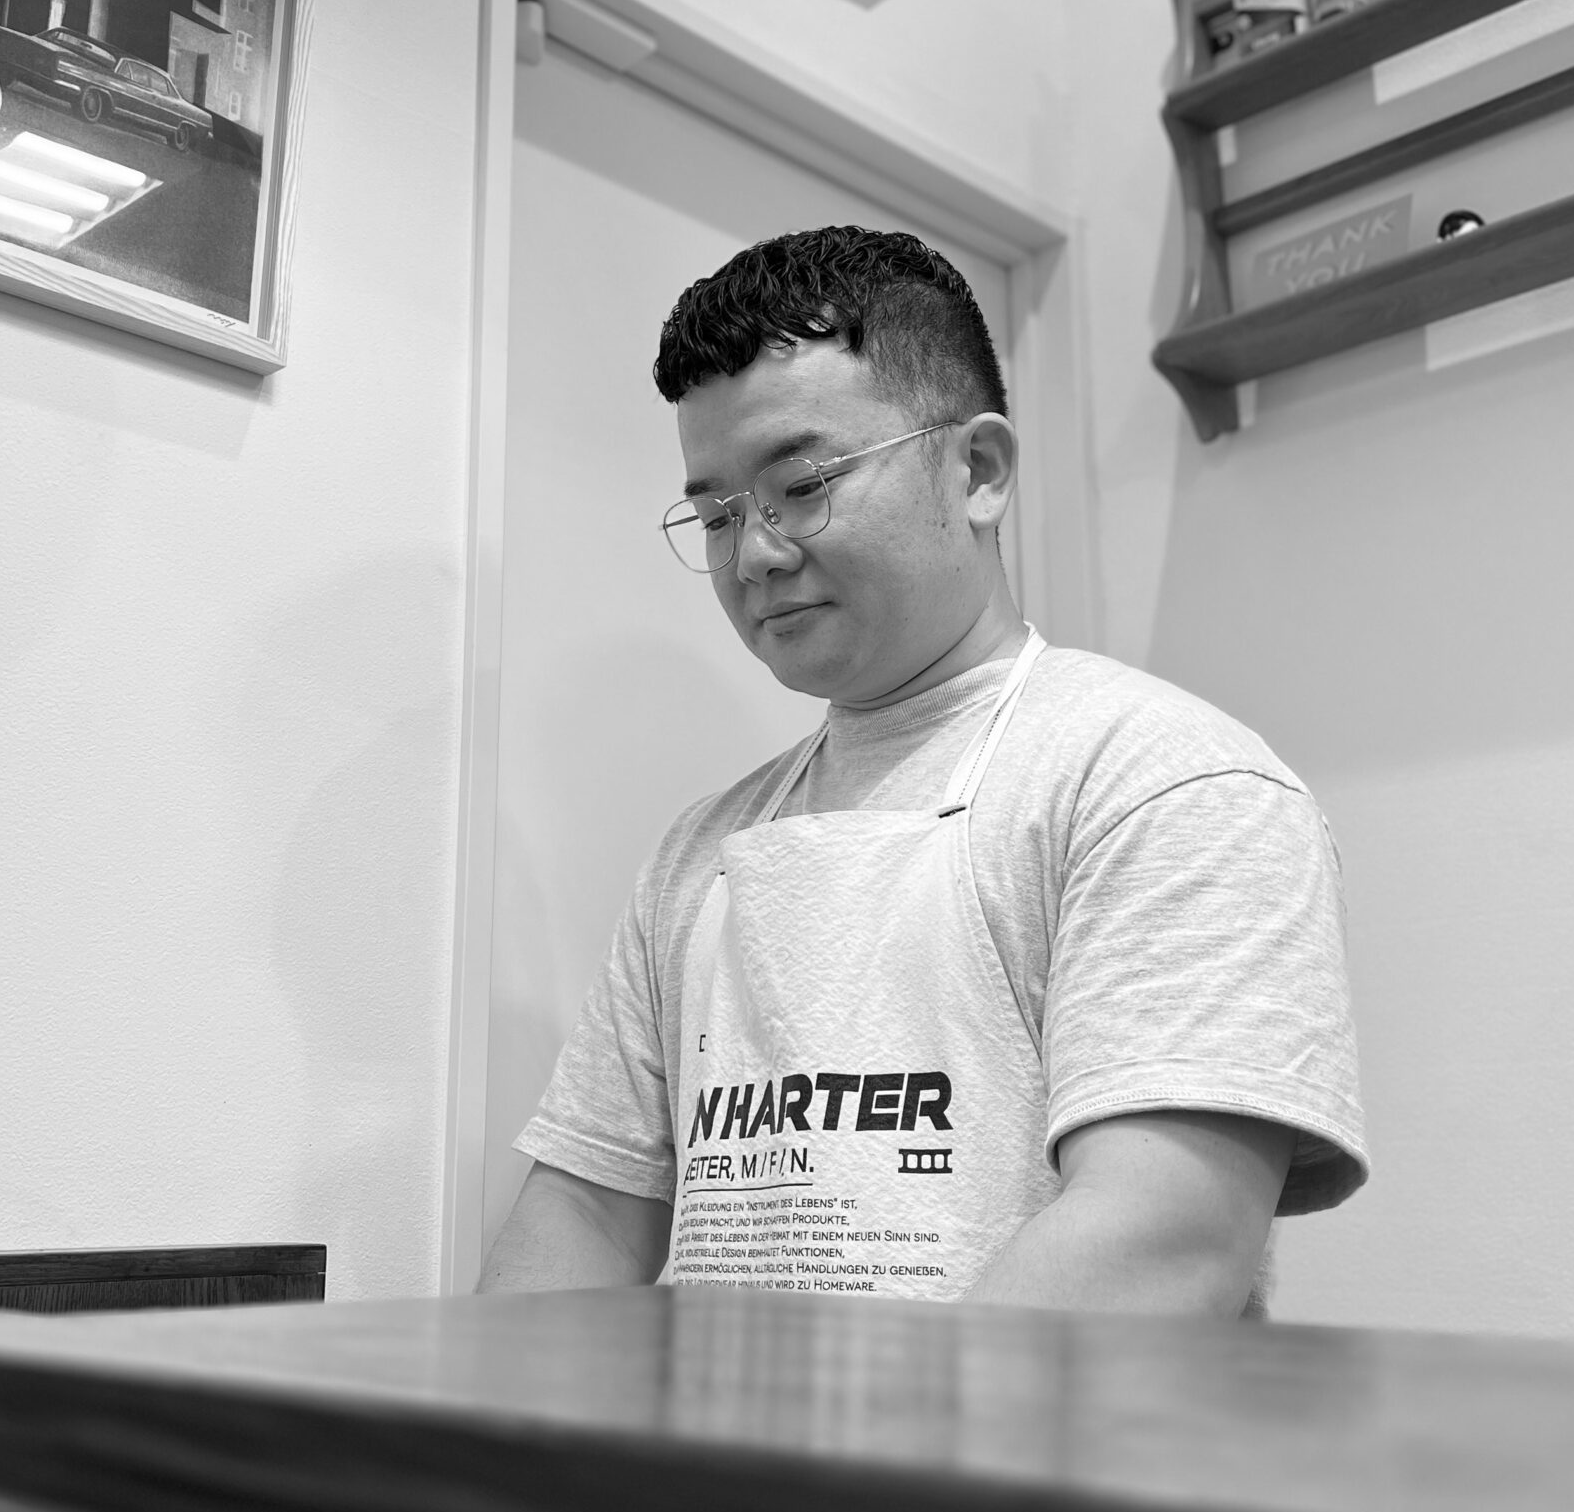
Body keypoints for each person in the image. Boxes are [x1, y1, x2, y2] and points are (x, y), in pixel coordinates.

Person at [478, 227, 1365, 1312]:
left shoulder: (1165, 782)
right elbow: (580, 1215)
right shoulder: (699, 855)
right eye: (716, 514)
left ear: (977, 471)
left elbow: (1163, 1237)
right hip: (719, 1430)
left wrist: (839, 1434)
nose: (754, 553)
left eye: (802, 484)